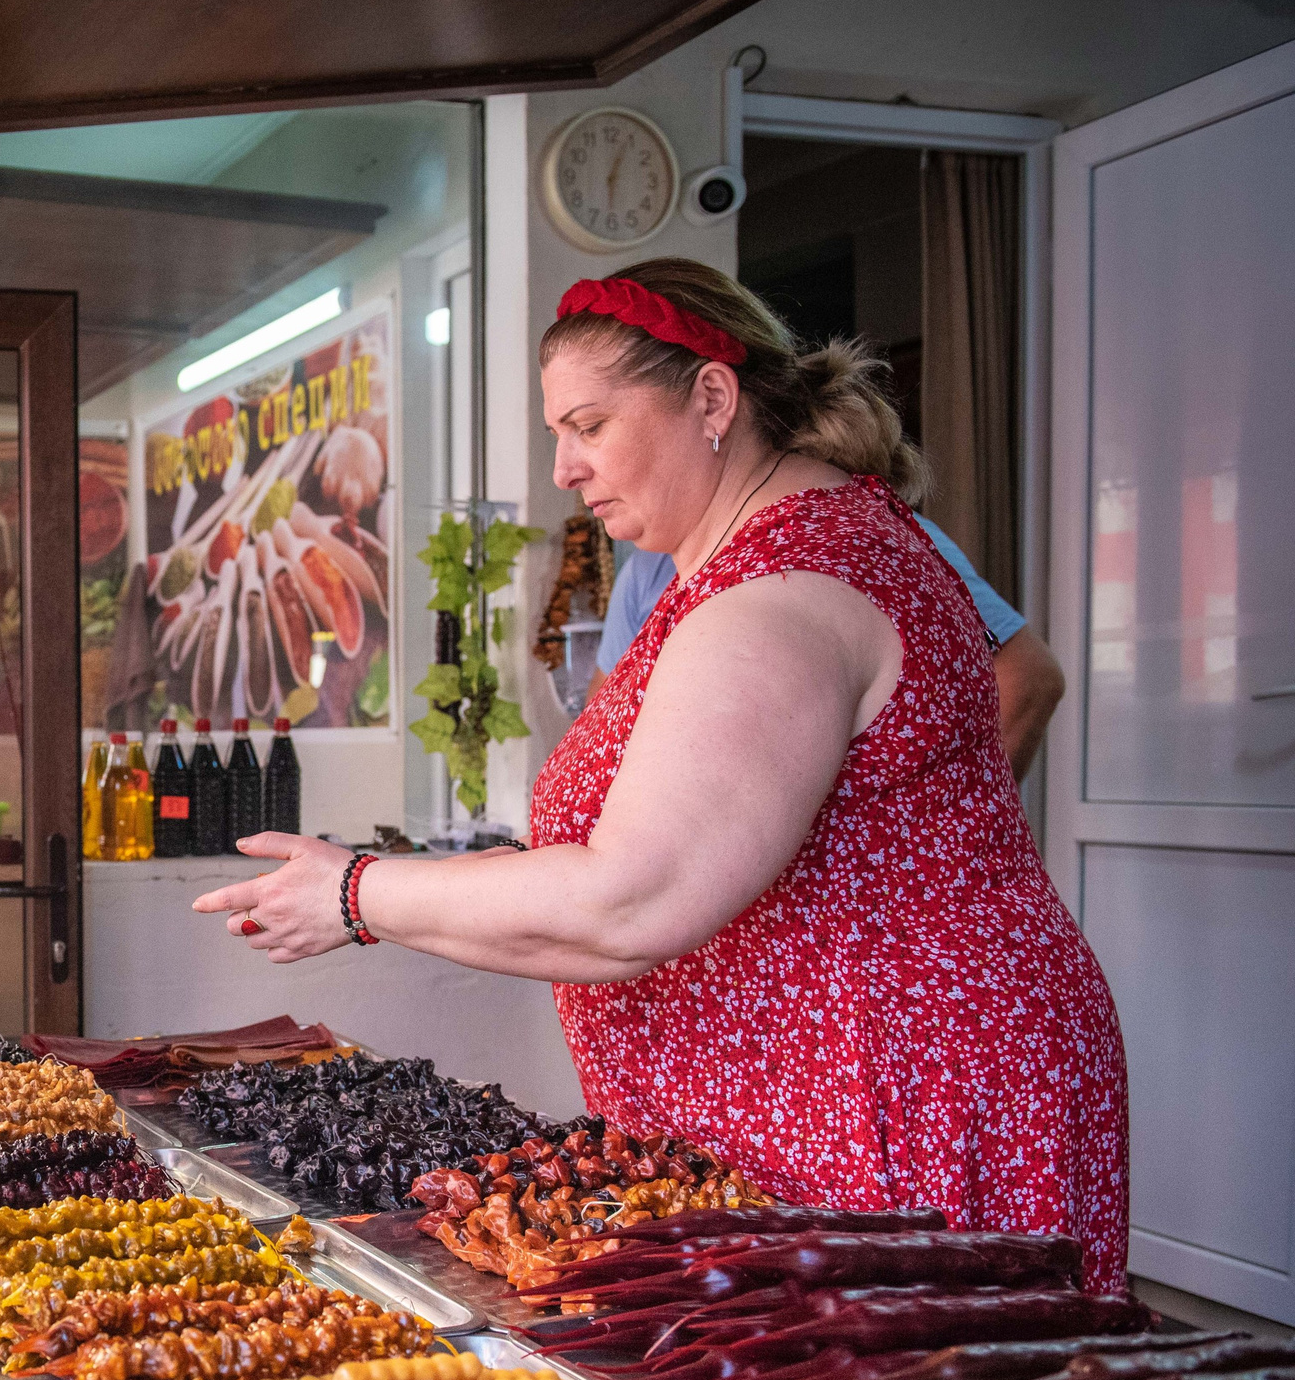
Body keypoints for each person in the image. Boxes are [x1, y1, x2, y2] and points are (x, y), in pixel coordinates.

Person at [197, 260, 1128, 1292]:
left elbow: (632, 895)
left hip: (882, 1088)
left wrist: (353, 891)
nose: (563, 466)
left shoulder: (786, 588)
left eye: (588, 425)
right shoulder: (757, 555)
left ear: (712, 398)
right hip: (831, 1077)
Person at [588, 522, 1066, 778]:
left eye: (593, 426)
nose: (568, 468)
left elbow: (1028, 678)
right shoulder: (647, 573)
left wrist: (941, 838)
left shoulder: (869, 536)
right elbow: (601, 732)